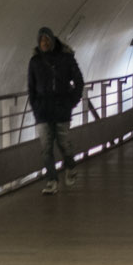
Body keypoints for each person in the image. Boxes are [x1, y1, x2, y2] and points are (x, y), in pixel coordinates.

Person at [28, 26, 86, 194]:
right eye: (41, 40)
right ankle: (52, 180)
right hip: (43, 112)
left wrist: (71, 102)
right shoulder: (35, 62)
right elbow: (31, 87)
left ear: (52, 40)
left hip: (61, 110)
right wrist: (35, 107)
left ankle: (70, 167)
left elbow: (79, 82)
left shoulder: (66, 59)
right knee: (46, 148)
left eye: (47, 39)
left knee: (63, 144)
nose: (44, 43)